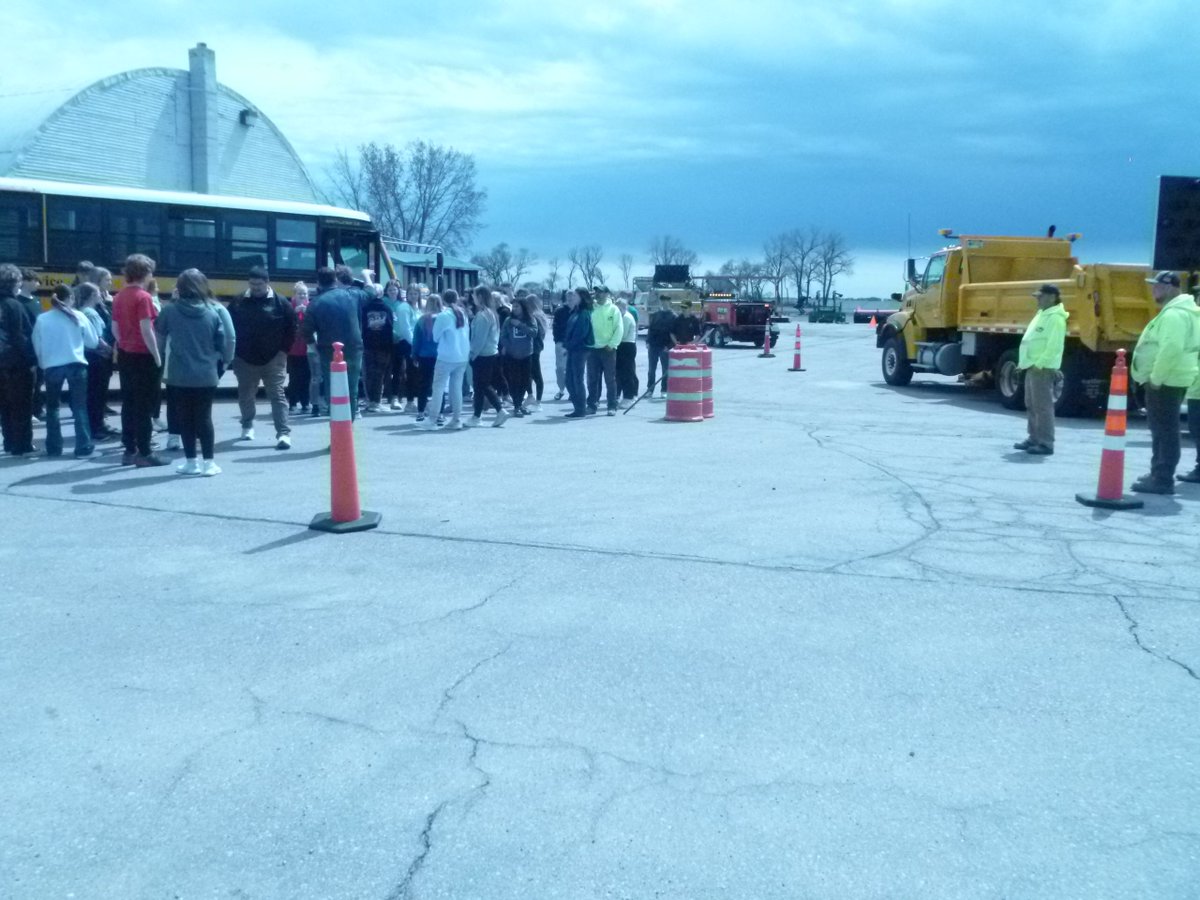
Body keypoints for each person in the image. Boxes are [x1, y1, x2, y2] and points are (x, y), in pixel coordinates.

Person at [1129, 271, 1200, 494]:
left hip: (1166, 379)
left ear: (1170, 287)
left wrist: (1157, 378)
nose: (1153, 290)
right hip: (1173, 377)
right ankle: (1157, 473)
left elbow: (1171, 348)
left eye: (1157, 286)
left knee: (1164, 430)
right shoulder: (1179, 312)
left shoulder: (1174, 315)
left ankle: (1162, 479)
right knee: (1162, 429)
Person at [155, 269, 226, 476]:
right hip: (206, 374)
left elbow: (158, 339)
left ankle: (191, 462)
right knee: (204, 418)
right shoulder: (213, 312)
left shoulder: (169, 311)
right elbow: (221, 343)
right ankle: (209, 463)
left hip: (179, 374)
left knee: (185, 418)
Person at [228, 266, 296, 448]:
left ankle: (283, 433)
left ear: (267, 283)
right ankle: (247, 425)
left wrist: (283, 351)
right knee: (246, 395)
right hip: (244, 358)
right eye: (252, 284)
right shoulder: (238, 301)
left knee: (277, 395)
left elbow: (292, 329)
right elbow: (228, 328)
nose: (255, 288)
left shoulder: (281, 303)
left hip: (274, 358)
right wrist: (233, 352)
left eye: (258, 284)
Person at [112, 253, 167, 467]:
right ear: (145, 273)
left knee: (129, 403)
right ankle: (144, 452)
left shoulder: (119, 296)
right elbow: (147, 328)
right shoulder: (143, 297)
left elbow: (115, 328)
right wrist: (156, 355)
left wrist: (124, 343)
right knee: (145, 406)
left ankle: (129, 449)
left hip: (126, 354)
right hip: (143, 355)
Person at [33, 284, 99, 457]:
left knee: (53, 408)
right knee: (79, 407)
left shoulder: (43, 319)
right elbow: (92, 342)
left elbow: (37, 344)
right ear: (70, 299)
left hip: (52, 367)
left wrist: (42, 363)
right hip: (76, 364)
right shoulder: (79, 316)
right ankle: (83, 446)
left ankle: (54, 447)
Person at [1013, 284, 1068, 456]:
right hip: (1032, 366)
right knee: (1031, 404)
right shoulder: (1042, 314)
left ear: (1052, 297)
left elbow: (1054, 345)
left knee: (1042, 406)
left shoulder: (1056, 318)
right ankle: (1034, 438)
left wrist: (1041, 363)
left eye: (1041, 296)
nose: (1037, 299)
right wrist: (1024, 363)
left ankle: (1045, 443)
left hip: (1042, 368)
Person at [303, 267, 363, 421]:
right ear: (335, 280)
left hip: (328, 351)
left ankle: (337, 428)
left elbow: (305, 331)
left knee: (334, 389)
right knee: (352, 389)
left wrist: (314, 348)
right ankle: (349, 427)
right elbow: (371, 292)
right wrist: (366, 277)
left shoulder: (315, 303)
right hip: (354, 348)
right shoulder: (352, 295)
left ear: (318, 282)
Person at [0, 264, 36, 455]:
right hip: (17, 363)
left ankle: (9, 442)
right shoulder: (15, 305)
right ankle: (22, 444)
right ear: (13, 283)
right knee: (21, 406)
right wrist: (32, 359)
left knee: (4, 405)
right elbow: (21, 336)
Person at [75, 282, 116, 439]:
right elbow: (98, 338)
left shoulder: (85, 311)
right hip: (98, 358)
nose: (101, 295)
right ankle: (96, 427)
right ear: (92, 295)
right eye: (99, 293)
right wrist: (110, 351)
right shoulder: (91, 313)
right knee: (97, 394)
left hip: (93, 357)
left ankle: (98, 425)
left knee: (95, 394)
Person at [425, 290, 470, 430]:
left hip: (446, 356)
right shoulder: (462, 313)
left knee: (438, 388)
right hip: (462, 355)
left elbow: (435, 337)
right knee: (456, 388)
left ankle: (432, 419)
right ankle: (456, 419)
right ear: (457, 298)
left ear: (443, 300)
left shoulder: (443, 316)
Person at [468, 285, 507, 427]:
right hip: (490, 353)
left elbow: (479, 339)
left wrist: (472, 355)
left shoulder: (483, 315)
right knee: (479, 387)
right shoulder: (491, 313)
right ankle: (476, 416)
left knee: (483, 385)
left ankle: (500, 409)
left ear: (480, 297)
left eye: (474, 295)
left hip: (483, 355)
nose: (472, 298)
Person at [587, 286, 623, 415]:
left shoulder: (614, 309)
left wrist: (612, 344)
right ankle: (592, 404)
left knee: (610, 379)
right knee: (592, 379)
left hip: (608, 350)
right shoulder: (591, 308)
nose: (598, 294)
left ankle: (611, 406)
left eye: (601, 292)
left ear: (607, 293)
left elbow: (619, 328)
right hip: (592, 350)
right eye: (597, 292)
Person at [499, 296, 537, 416]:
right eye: (513, 306)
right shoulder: (508, 320)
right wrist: (508, 346)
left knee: (525, 381)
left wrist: (520, 325)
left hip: (526, 355)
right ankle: (516, 406)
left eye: (517, 306)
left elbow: (534, 333)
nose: (514, 309)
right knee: (514, 381)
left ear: (523, 307)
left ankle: (520, 404)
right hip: (512, 356)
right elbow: (502, 336)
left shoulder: (530, 319)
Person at [361, 283, 395, 412]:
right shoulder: (387, 308)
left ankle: (370, 401)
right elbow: (390, 328)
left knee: (369, 373)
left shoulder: (364, 308)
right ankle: (377, 402)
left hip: (368, 344)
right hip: (384, 346)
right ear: (381, 294)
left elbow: (362, 326)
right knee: (380, 374)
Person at [384, 280, 415, 411]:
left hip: (403, 340)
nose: (392, 292)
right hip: (387, 340)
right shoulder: (383, 303)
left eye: (395, 289)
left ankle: (406, 398)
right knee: (389, 370)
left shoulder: (402, 305)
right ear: (386, 291)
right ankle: (392, 397)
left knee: (404, 370)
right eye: (390, 289)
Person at [17, 268, 44, 420]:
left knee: (39, 380)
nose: (38, 283)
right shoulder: (19, 301)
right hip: (28, 346)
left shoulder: (35, 300)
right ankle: (30, 412)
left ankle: (37, 409)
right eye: (34, 280)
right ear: (25, 281)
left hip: (39, 344)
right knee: (29, 382)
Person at [563, 289, 593, 419]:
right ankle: (578, 407)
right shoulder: (575, 311)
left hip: (581, 349)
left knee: (576, 379)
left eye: (575, 295)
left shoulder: (584, 313)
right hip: (573, 349)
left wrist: (568, 346)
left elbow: (580, 333)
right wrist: (567, 346)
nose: (572, 297)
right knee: (569, 379)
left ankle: (580, 409)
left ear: (581, 297)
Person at [411, 295, 439, 422]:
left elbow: (416, 340)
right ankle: (438, 413)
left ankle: (421, 411)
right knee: (438, 385)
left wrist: (414, 355)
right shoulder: (443, 318)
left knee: (423, 385)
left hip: (424, 356)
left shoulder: (421, 320)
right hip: (440, 356)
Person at [285, 282, 312, 414]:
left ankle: (306, 402)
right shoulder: (289, 308)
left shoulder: (311, 308)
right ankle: (292, 403)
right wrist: (294, 314)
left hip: (308, 349)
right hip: (293, 349)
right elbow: (284, 325)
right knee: (294, 378)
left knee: (306, 378)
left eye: (305, 293)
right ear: (294, 295)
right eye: (300, 293)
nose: (302, 296)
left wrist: (307, 314)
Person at [645, 301, 676, 398]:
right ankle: (650, 390)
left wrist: (670, 346)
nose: (664, 304)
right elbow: (650, 329)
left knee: (665, 370)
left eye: (666, 302)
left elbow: (674, 333)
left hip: (665, 347)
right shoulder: (655, 315)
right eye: (663, 302)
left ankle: (664, 390)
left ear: (670, 304)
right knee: (651, 369)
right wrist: (648, 342)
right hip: (653, 346)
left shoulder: (673, 316)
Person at [523, 295, 548, 411]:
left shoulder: (535, 317)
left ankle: (538, 401)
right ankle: (531, 397)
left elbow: (536, 333)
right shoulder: (541, 315)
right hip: (536, 347)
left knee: (536, 373)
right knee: (531, 373)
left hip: (534, 348)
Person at [615, 297, 639, 406]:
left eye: (619, 307)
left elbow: (622, 335)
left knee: (626, 373)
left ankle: (628, 397)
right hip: (625, 346)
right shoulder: (623, 316)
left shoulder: (625, 318)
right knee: (625, 372)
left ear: (624, 307)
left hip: (626, 345)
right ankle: (630, 394)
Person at [552, 290, 571, 401]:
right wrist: (558, 341)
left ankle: (572, 391)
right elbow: (555, 327)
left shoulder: (578, 310)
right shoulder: (559, 311)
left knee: (572, 369)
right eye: (568, 297)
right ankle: (561, 390)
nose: (570, 299)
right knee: (560, 368)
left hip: (575, 345)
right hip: (561, 343)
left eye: (572, 297)